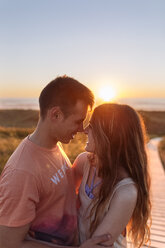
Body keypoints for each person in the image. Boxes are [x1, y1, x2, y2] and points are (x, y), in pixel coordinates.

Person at [0, 76, 111, 248]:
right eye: (78, 121)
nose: (82, 129)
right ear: (56, 114)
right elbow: (8, 243)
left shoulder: (54, 145)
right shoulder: (22, 172)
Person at [73, 103, 151, 248]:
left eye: (91, 126)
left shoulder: (125, 191)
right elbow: (61, 196)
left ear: (109, 136)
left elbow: (97, 244)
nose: (84, 130)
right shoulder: (84, 162)